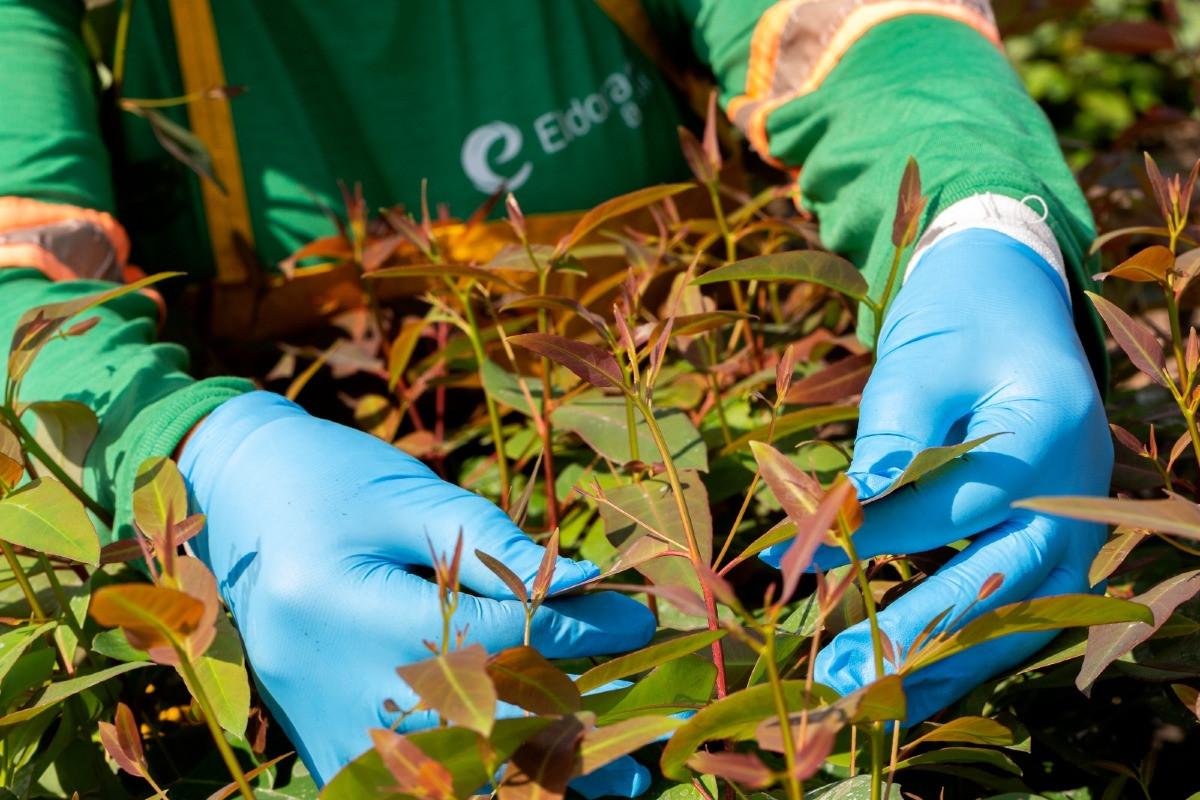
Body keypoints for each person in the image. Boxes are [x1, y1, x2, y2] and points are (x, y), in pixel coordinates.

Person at [0, 0, 1112, 795]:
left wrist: (985, 228)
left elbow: (865, 34)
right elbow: (18, 271)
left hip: (654, 446)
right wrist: (199, 454)